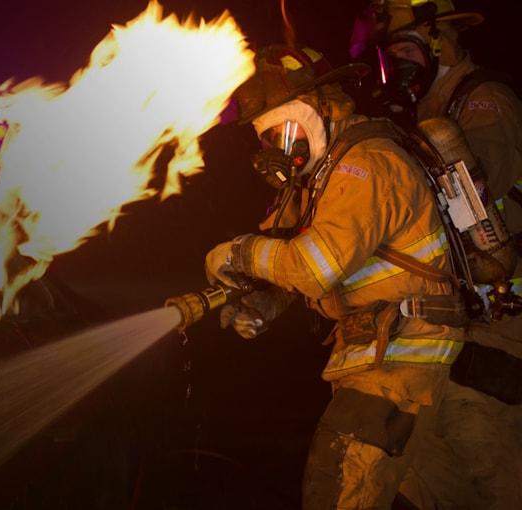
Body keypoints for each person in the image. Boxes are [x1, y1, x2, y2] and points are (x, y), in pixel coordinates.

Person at [199, 43, 470, 508]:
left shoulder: (365, 165)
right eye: (266, 139)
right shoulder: (324, 177)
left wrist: (238, 252)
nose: (278, 150)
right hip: (393, 361)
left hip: (399, 362)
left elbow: (312, 268)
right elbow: (300, 260)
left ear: (328, 109)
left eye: (284, 130)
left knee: (335, 490)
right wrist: (265, 303)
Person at [346, 1, 522, 508]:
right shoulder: (419, 116)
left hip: (494, 338)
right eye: (387, 55)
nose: (394, 66)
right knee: (426, 489)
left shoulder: (484, 101)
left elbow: (469, 199)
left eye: (405, 49)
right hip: (434, 346)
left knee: (493, 480)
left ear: (440, 39)